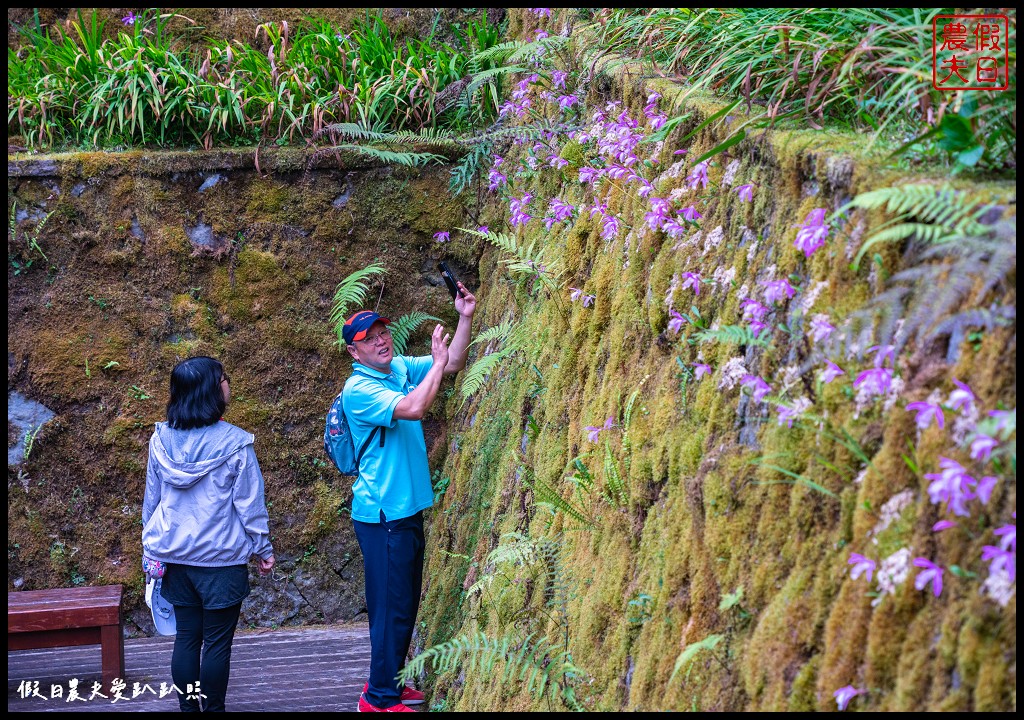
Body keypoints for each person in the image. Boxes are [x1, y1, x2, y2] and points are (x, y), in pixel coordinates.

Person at [341, 281, 477, 713]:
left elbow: (452, 362)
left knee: (403, 602)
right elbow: (416, 407)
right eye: (369, 339)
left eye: (382, 332)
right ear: (354, 352)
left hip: (405, 508)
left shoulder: (396, 367)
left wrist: (465, 316)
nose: (380, 340)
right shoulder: (359, 390)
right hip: (382, 515)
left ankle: (391, 684)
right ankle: (378, 700)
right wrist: (435, 365)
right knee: (390, 608)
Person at [142, 356, 275, 712]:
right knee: (216, 644)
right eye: (224, 378)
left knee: (186, 638)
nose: (228, 383)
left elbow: (151, 503)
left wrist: (149, 550)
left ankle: (189, 710)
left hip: (174, 557)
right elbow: (250, 505)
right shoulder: (235, 444)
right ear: (210, 391)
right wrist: (263, 549)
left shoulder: (160, 441)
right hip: (221, 561)